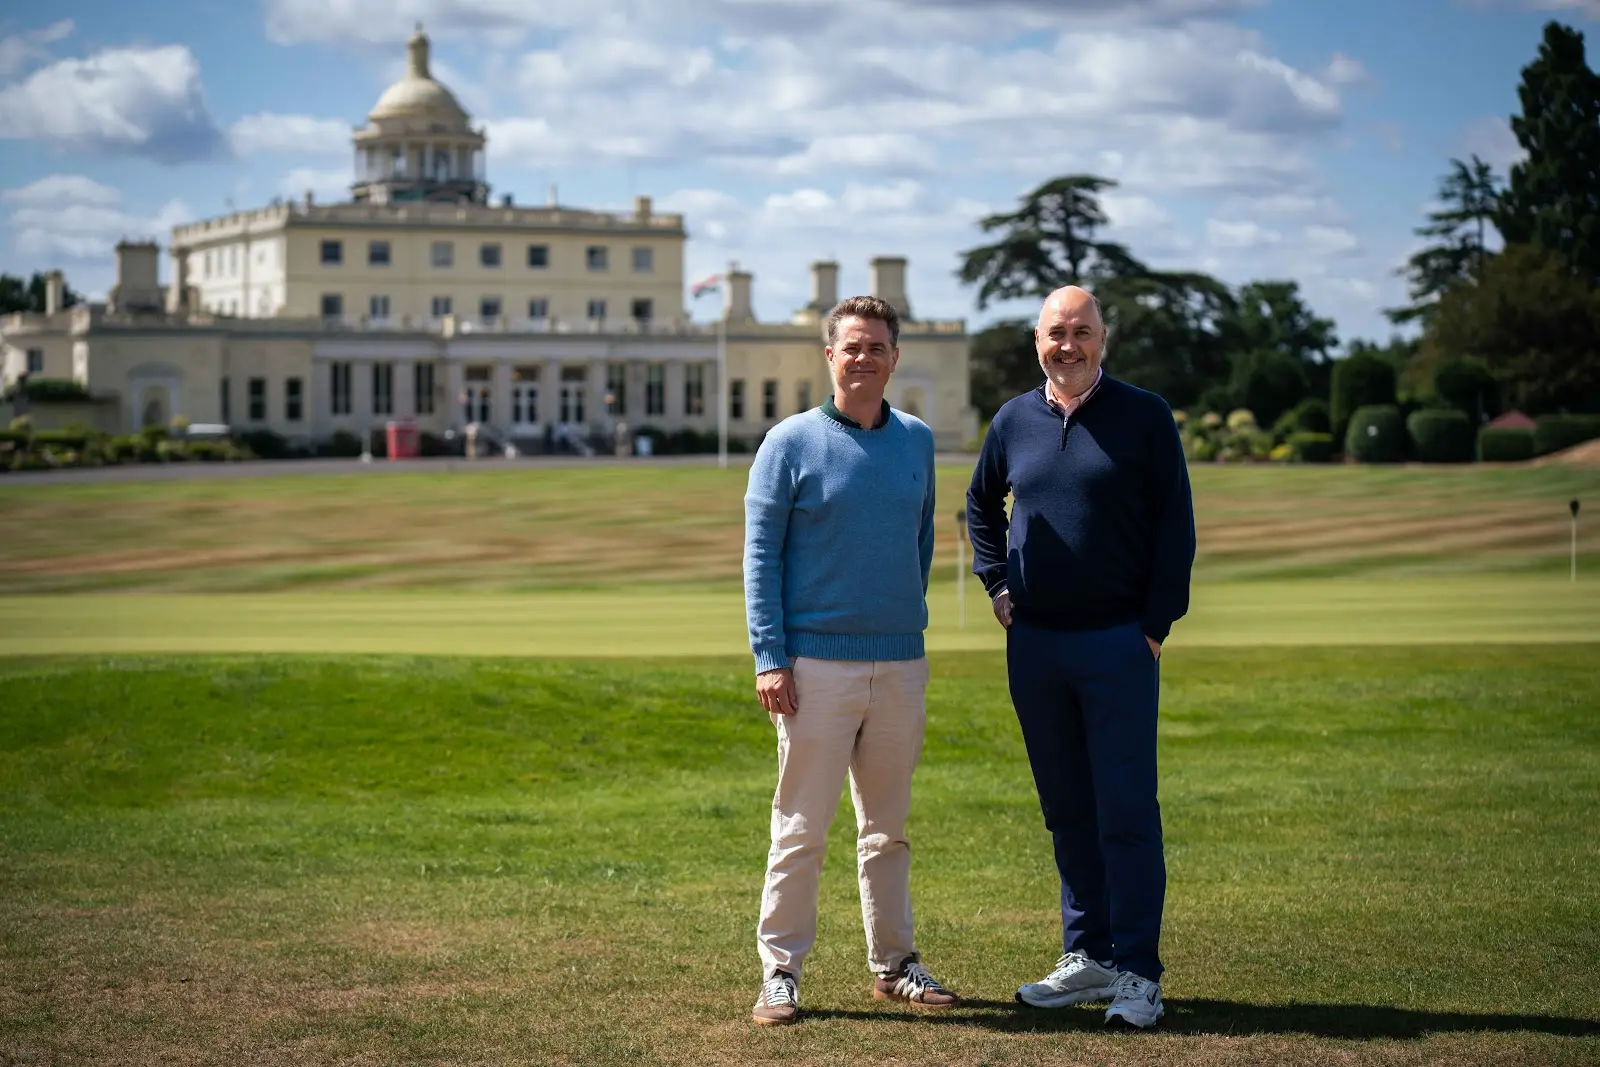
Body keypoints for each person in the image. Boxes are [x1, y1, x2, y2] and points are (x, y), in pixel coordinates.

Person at [965, 285, 1195, 1029]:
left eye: (1083, 332)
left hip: (1118, 642)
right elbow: (980, 507)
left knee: (1126, 809)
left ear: (1104, 338)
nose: (1070, 344)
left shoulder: (1145, 415)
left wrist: (1155, 624)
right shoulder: (1013, 420)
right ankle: (1087, 955)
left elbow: (1175, 526)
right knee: (1067, 809)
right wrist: (996, 582)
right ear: (1037, 339)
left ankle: (1137, 971)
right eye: (1056, 332)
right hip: (1035, 646)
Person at [743, 294, 960, 1026]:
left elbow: (920, 547)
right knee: (801, 827)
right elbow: (761, 555)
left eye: (877, 346)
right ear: (829, 356)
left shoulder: (918, 441)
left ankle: (895, 964)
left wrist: (900, 624)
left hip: (900, 663)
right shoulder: (789, 443)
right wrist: (770, 655)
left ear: (894, 358)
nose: (864, 356)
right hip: (812, 669)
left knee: (888, 828)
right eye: (851, 346)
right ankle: (780, 971)